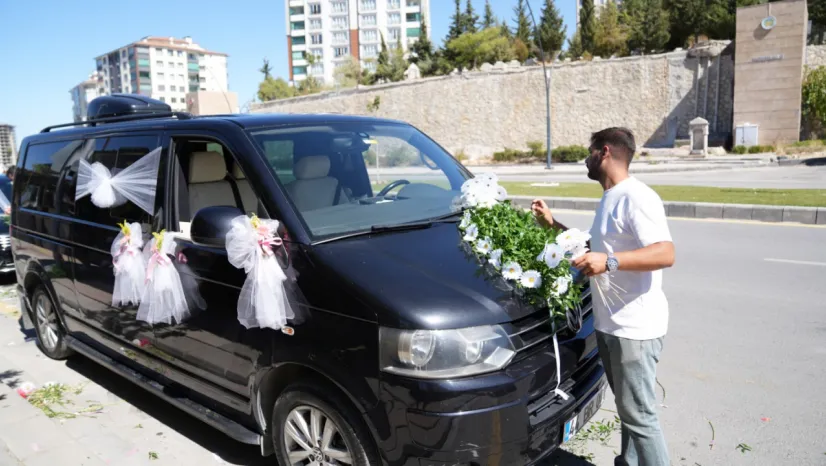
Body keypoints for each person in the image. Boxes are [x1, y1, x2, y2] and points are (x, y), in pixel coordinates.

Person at [532, 127, 674, 466]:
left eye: (589, 152)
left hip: (634, 330)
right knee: (629, 412)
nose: (586, 158)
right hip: (612, 325)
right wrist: (553, 224)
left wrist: (609, 263)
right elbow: (594, 249)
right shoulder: (610, 197)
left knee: (641, 419)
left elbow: (665, 253)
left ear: (604, 152)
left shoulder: (636, 196)